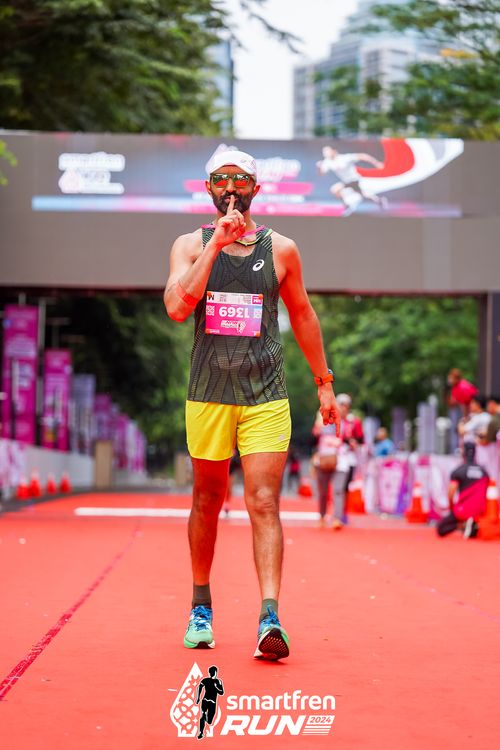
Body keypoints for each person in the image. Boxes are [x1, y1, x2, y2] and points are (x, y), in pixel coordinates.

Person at [164, 147, 339, 661]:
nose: (230, 188)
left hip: (266, 393)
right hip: (209, 393)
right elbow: (177, 307)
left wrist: (324, 383)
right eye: (221, 180)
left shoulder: (281, 249)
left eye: (240, 180)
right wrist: (216, 245)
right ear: (208, 189)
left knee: (263, 501)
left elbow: (303, 315)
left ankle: (270, 617)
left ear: (256, 189)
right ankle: (201, 608)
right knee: (208, 498)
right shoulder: (189, 245)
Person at [312, 393, 363, 529]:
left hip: (342, 460)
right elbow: (314, 437)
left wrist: (352, 442)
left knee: (339, 490)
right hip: (324, 458)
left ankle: (337, 518)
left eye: (346, 405)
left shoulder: (352, 422)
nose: (343, 408)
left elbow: (359, 439)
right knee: (323, 491)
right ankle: (322, 516)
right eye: (341, 405)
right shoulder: (323, 419)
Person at [316, 145, 387, 216]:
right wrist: (319, 167)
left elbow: (363, 156)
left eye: (327, 151)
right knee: (335, 190)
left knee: (364, 194)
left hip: (354, 180)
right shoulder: (327, 162)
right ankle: (347, 206)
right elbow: (321, 173)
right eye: (324, 152)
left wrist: (376, 163)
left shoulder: (344, 158)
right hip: (346, 182)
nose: (326, 153)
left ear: (333, 151)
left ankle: (379, 200)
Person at [436, 443, 489, 538]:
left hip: (463, 510)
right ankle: (472, 524)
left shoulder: (459, 471)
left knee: (441, 529)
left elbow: (451, 492)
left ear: (463, 453)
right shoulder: (484, 472)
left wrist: (452, 507)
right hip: (481, 510)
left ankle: (463, 525)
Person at [195, 665, 224, 740]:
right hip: (208, 701)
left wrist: (216, 687)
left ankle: (205, 719)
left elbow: (221, 692)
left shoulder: (217, 681)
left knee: (209, 721)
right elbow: (199, 687)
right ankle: (201, 732)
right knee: (204, 716)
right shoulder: (207, 680)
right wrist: (198, 697)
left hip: (210, 702)